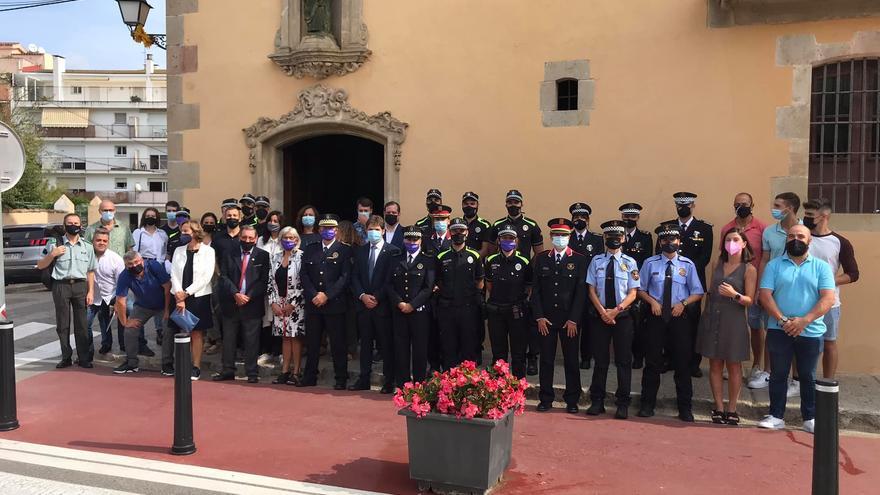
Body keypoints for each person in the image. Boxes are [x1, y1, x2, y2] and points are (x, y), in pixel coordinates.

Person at [757, 224, 835, 433]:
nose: (795, 239)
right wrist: (783, 320)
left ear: (809, 240)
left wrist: (804, 321)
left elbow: (828, 298)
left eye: (800, 236)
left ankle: (810, 417)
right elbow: (765, 295)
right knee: (778, 374)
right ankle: (776, 416)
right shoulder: (774, 265)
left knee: (808, 376)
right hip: (778, 329)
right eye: (791, 236)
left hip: (811, 330)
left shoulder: (821, 267)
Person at [638, 224, 705, 422]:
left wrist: (683, 304)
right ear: (660, 242)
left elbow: (698, 292)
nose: (669, 243)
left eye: (673, 239)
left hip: (679, 318)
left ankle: (685, 408)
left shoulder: (687, 265)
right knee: (652, 362)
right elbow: (640, 289)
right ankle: (647, 404)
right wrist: (652, 302)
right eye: (665, 239)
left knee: (682, 363)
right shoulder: (650, 263)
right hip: (656, 317)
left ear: (679, 241)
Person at [696, 227, 757, 426]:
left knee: (733, 365)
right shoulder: (717, 264)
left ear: (744, 243)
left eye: (736, 239)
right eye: (728, 240)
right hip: (713, 317)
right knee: (715, 364)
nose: (731, 243)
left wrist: (735, 295)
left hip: (734, 320)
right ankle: (719, 407)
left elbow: (749, 300)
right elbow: (711, 292)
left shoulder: (749, 269)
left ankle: (732, 408)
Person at [585, 220, 640, 419]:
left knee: (623, 361)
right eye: (610, 237)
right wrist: (603, 312)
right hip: (600, 317)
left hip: (622, 318)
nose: (614, 240)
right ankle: (597, 401)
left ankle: (622, 403)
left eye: (617, 236)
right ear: (604, 238)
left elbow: (633, 293)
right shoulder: (596, 261)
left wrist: (615, 311)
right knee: (600, 361)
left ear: (623, 239)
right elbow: (591, 289)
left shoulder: (630, 262)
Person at [532, 218, 586, 413]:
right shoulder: (542, 258)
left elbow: (581, 293)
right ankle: (546, 398)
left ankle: (572, 400)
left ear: (569, 236)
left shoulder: (579, 259)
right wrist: (539, 317)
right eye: (556, 234)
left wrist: (574, 319)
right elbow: (536, 291)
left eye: (563, 235)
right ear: (551, 236)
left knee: (571, 361)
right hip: (546, 320)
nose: (559, 238)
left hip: (568, 321)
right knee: (546, 360)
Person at [657, 192, 713, 378]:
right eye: (679, 205)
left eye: (686, 205)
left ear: (693, 206)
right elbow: (659, 254)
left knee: (692, 324)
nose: (682, 208)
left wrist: (685, 272)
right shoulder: (666, 227)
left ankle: (692, 363)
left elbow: (705, 257)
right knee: (667, 321)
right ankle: (669, 359)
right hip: (668, 283)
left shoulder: (704, 229)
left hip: (692, 285)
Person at [750, 191, 802, 391]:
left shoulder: (804, 231)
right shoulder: (769, 231)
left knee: (796, 333)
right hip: (772, 288)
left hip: (795, 289)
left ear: (790, 208)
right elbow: (764, 259)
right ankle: (768, 372)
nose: (774, 209)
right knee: (772, 331)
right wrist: (760, 289)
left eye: (778, 206)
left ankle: (795, 379)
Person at [803, 198, 859, 379]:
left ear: (824, 216)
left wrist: (828, 281)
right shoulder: (801, 237)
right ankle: (801, 381)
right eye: (805, 214)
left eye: (810, 214)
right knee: (802, 344)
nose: (806, 218)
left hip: (829, 303)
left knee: (829, 343)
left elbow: (853, 273)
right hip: (802, 300)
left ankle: (827, 383)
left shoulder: (840, 242)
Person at [490, 190, 544, 376]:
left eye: (516, 202)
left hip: (523, 282)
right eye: (510, 202)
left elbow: (538, 253)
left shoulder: (531, 225)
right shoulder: (497, 225)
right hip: (500, 289)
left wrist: (527, 272)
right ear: (506, 204)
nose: (513, 205)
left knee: (525, 334)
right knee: (500, 345)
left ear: (521, 204)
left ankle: (531, 359)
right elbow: (491, 252)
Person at [717, 193, 768, 387]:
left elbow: (765, 258)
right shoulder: (727, 228)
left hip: (753, 282)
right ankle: (728, 362)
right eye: (737, 204)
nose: (741, 207)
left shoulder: (762, 228)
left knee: (755, 326)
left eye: (745, 204)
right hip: (730, 283)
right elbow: (722, 255)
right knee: (728, 325)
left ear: (752, 205)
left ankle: (756, 365)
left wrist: (760, 288)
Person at [298, 214, 353, 390]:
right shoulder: (311, 248)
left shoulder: (344, 250)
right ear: (319, 230)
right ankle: (309, 376)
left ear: (336, 230)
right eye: (324, 228)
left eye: (331, 228)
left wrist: (327, 295)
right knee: (312, 343)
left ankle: (341, 378)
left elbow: (345, 277)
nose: (327, 231)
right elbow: (304, 274)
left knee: (338, 344)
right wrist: (314, 294)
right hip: (314, 304)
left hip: (334, 304)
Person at [36, 213, 97, 369]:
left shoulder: (87, 246)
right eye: (70, 223)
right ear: (64, 226)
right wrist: (52, 254)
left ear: (81, 226)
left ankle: (83, 358)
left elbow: (91, 271)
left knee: (82, 324)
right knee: (63, 324)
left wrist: (91, 292)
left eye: (76, 223)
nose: (73, 225)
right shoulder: (54, 244)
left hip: (80, 286)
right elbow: (40, 265)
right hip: (61, 285)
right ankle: (66, 357)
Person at [350, 215, 401, 393]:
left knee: (386, 345)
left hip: (383, 306)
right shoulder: (360, 251)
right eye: (370, 229)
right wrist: (362, 295)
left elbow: (391, 279)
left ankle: (389, 380)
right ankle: (364, 378)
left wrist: (377, 297)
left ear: (383, 231)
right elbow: (354, 276)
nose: (373, 232)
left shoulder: (393, 251)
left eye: (376, 230)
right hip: (364, 306)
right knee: (365, 345)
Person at [214, 225, 270, 383]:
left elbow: (263, 280)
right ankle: (227, 370)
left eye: (251, 238)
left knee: (252, 341)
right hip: (231, 302)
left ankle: (252, 373)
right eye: (244, 237)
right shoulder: (229, 253)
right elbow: (223, 276)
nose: (247, 240)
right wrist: (235, 294)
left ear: (256, 238)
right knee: (229, 340)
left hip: (252, 303)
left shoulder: (263, 256)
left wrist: (248, 296)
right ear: (240, 237)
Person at [163, 221, 215, 380]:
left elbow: (206, 277)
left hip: (198, 297)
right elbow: (174, 273)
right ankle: (182, 364)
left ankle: (196, 366)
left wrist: (186, 294)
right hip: (178, 296)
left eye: (186, 231)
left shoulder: (208, 251)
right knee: (180, 331)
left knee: (196, 333)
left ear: (195, 232)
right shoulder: (178, 250)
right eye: (182, 231)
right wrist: (179, 296)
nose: (183, 234)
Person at [389, 226, 436, 388]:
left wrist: (412, 305)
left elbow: (428, 288)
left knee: (420, 350)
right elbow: (389, 285)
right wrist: (400, 303)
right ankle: (402, 384)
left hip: (419, 312)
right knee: (400, 349)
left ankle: (419, 384)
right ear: (404, 240)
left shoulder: (427, 260)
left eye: (415, 239)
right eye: (409, 239)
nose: (412, 242)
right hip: (400, 311)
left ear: (421, 240)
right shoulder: (395, 259)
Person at [484, 223, 532, 378]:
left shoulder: (524, 261)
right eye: (504, 238)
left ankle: (519, 385)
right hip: (497, 311)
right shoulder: (491, 260)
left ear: (516, 241)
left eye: (511, 238)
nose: (508, 241)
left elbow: (528, 286)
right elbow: (489, 285)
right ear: (499, 240)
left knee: (518, 352)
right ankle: (499, 386)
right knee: (498, 353)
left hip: (517, 312)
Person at [435, 217, 484, 369]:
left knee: (469, 347)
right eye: (454, 231)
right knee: (448, 346)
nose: (458, 234)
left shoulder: (474, 255)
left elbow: (480, 281)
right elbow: (438, 281)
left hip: (468, 309)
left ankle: (467, 381)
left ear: (467, 233)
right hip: (447, 309)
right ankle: (448, 380)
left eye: (461, 230)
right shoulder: (441, 256)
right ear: (450, 233)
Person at [113, 251, 171, 374]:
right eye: (130, 264)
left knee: (167, 330)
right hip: (143, 306)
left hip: (163, 304)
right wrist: (125, 322)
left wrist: (167, 310)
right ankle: (131, 362)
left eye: (136, 262)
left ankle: (167, 363)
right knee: (129, 330)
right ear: (126, 265)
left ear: (142, 261)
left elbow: (167, 287)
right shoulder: (125, 276)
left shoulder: (154, 266)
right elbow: (120, 300)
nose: (134, 266)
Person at [267, 227, 306, 385]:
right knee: (285, 337)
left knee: (295, 337)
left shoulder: (302, 257)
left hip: (296, 304)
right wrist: (273, 303)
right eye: (285, 237)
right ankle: (284, 371)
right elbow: (270, 281)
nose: (288, 240)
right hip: (279, 303)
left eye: (291, 238)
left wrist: (293, 303)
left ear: (297, 240)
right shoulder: (275, 257)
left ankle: (296, 372)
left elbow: (304, 282)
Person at [568, 202, 603, 371]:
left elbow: (600, 264)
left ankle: (586, 357)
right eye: (576, 217)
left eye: (583, 216)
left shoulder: (597, 239)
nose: (579, 219)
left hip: (590, 288)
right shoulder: (566, 238)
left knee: (588, 324)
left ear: (588, 219)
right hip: (570, 288)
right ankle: (571, 356)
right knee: (572, 322)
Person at [619, 202, 653, 370]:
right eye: (626, 216)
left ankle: (638, 357)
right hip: (619, 286)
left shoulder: (645, 237)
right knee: (621, 323)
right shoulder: (616, 236)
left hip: (637, 287)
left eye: (632, 216)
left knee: (638, 325)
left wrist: (639, 286)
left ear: (638, 217)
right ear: (622, 217)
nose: (629, 219)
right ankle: (622, 355)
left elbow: (646, 263)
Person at [131, 207, 168, 348]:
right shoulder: (138, 232)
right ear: (144, 217)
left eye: (153, 215)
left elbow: (164, 251)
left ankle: (160, 331)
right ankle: (139, 337)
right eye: (148, 215)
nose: (150, 217)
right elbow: (134, 251)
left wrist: (161, 265)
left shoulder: (162, 234)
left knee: (159, 300)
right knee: (141, 300)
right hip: (143, 266)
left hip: (158, 266)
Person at [87, 228, 125, 355]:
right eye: (98, 240)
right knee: (85, 323)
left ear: (108, 242)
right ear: (93, 241)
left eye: (104, 241)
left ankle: (122, 346)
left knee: (127, 311)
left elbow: (121, 283)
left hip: (112, 294)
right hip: (93, 295)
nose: (101, 243)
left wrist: (118, 302)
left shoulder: (116, 259)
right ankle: (88, 351)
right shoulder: (86, 256)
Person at [257, 211, 285, 366]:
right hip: (265, 283)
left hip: (280, 284)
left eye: (276, 221)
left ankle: (280, 351)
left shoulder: (285, 240)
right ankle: (266, 351)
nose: (273, 223)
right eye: (271, 220)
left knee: (279, 318)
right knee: (266, 320)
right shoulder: (261, 240)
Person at [461, 191, 491, 258]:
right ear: (462, 205)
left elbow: (485, 250)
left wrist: (471, 260)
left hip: (477, 261)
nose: (469, 206)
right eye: (466, 204)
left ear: (477, 205)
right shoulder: (457, 224)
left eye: (472, 204)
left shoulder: (485, 225)